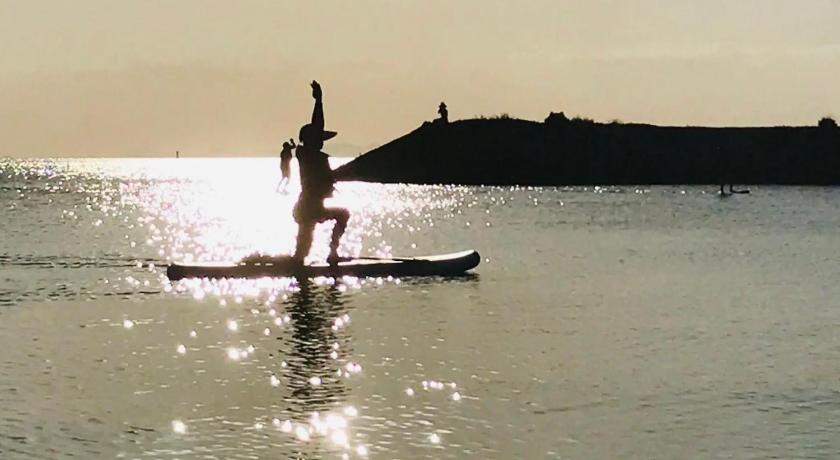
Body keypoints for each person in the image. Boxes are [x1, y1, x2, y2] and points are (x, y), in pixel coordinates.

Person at [292, 81, 349, 265]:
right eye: (319, 138)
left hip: (314, 207)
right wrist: (319, 102)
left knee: (342, 214)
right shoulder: (305, 154)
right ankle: (302, 262)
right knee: (302, 251)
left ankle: (332, 252)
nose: (322, 142)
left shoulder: (315, 156)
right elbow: (317, 124)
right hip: (308, 207)